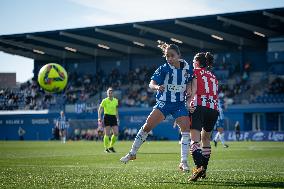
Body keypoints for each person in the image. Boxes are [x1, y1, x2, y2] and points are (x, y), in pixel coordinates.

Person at [120, 42, 193, 172]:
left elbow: (190, 82)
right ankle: (132, 153)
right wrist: (157, 87)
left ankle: (184, 162)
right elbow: (151, 83)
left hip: (179, 104)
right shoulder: (163, 68)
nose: (169, 58)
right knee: (147, 126)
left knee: (186, 130)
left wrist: (189, 92)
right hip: (164, 103)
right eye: (167, 56)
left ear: (179, 55)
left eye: (172, 56)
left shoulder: (187, 68)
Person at [187, 52, 219, 181]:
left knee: (194, 140)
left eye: (194, 60)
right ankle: (204, 170)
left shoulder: (194, 71)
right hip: (213, 109)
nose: (192, 62)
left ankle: (198, 168)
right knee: (206, 139)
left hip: (199, 106)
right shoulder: (214, 77)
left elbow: (190, 91)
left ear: (197, 62)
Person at [98, 87, 119, 153]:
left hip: (113, 117)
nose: (110, 94)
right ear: (107, 94)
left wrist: (117, 118)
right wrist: (99, 117)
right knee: (107, 133)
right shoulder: (105, 100)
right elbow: (100, 109)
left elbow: (116, 110)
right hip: (107, 116)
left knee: (116, 133)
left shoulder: (115, 100)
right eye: (109, 93)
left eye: (111, 93)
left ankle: (111, 146)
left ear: (113, 93)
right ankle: (106, 148)